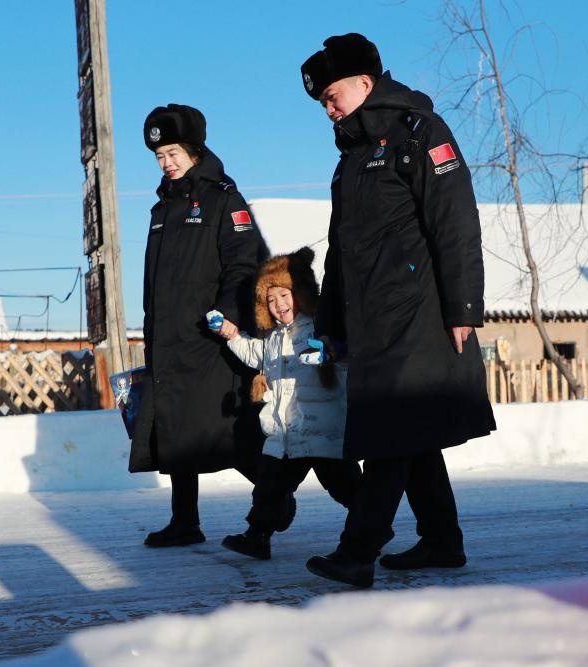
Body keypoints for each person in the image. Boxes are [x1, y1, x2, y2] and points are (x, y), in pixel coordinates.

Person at [298, 34, 497, 587]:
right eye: (323, 104)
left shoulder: (420, 133)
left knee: (393, 432)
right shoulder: (351, 160)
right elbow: (339, 251)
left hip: (422, 314)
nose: (329, 110)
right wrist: (332, 325)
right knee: (411, 432)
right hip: (371, 322)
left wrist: (464, 306)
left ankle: (358, 550)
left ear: (366, 83)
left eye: (333, 96)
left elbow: (455, 221)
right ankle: (442, 541)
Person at [129, 103, 280, 547]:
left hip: (210, 340)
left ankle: (275, 497)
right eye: (159, 156)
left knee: (225, 433)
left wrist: (225, 318)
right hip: (168, 341)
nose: (166, 162)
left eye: (172, 152)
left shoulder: (223, 199)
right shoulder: (162, 209)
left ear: (194, 149)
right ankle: (185, 522)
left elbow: (243, 264)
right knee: (176, 431)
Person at [217, 247, 362, 560]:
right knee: (268, 487)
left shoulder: (319, 327)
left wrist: (333, 352)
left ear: (301, 293)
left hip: (322, 431)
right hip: (285, 435)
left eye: (284, 295)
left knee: (347, 487)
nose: (278, 305)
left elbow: (345, 357)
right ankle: (257, 537)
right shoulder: (272, 338)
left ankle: (368, 528)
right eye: (270, 299)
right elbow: (255, 355)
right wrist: (232, 336)